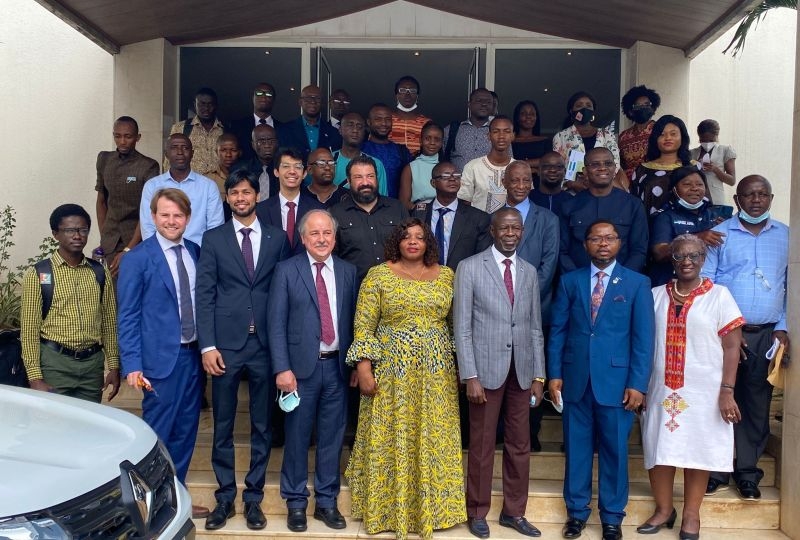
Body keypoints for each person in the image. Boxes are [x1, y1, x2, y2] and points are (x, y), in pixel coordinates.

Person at [346, 218, 466, 540]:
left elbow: (457, 326)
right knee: (392, 436)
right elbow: (363, 325)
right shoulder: (378, 275)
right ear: (396, 242)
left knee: (431, 438)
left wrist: (459, 368)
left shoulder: (447, 276)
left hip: (436, 376)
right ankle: (389, 508)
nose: (413, 241)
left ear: (429, 243)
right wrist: (364, 368)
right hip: (392, 374)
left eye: (419, 237)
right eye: (406, 236)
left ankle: (433, 510)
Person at [548, 220, 654, 540]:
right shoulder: (570, 281)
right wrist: (554, 374)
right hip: (576, 380)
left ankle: (611, 517)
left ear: (619, 243)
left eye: (609, 238)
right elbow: (558, 332)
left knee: (615, 452)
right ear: (586, 244)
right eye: (596, 238)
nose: (603, 243)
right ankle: (577, 514)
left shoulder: (636, 283)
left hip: (618, 384)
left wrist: (637, 383)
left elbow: (643, 339)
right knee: (577, 450)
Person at [196, 169, 290, 531]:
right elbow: (204, 295)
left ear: (256, 195)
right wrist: (207, 345)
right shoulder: (214, 239)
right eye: (234, 192)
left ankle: (253, 498)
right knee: (223, 424)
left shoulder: (278, 238)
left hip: (266, 345)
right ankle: (224, 497)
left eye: (246, 192)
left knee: (263, 425)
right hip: (226, 346)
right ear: (228, 198)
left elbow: (283, 293)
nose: (240, 198)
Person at [639, 234, 744, 540]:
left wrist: (727, 390)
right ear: (670, 260)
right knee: (659, 448)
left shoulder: (720, 296)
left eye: (694, 256)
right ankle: (663, 509)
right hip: (659, 388)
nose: (686, 262)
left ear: (703, 259)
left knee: (698, 450)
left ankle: (691, 515)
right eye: (679, 256)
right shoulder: (655, 294)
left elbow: (732, 348)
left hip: (705, 391)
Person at [454, 208, 546, 539]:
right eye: (504, 227)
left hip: (521, 373)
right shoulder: (469, 267)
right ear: (492, 231)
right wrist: (470, 376)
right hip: (485, 373)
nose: (510, 233)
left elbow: (535, 326)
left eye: (516, 228)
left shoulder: (529, 271)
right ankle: (476, 511)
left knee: (519, 445)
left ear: (522, 232)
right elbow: (462, 327)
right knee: (480, 445)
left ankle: (513, 512)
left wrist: (539, 374)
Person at [116, 188, 208, 519]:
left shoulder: (196, 252)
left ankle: (175, 499)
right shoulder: (138, 258)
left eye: (178, 215)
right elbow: (127, 315)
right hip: (157, 364)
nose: (172, 221)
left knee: (185, 433)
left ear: (187, 218)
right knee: (157, 437)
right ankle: (151, 505)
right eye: (165, 215)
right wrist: (132, 365)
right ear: (153, 217)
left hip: (192, 357)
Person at [268, 209, 357, 533]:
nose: (321, 239)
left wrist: (355, 365)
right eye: (314, 234)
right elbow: (275, 324)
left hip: (336, 367)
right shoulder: (286, 270)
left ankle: (326, 502)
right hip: (299, 372)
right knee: (297, 438)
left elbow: (353, 322)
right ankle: (294, 502)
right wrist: (282, 369)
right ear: (303, 238)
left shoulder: (348, 272)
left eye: (327, 233)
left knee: (332, 438)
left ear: (334, 238)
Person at [702, 175, 790, 501]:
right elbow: (707, 285)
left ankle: (748, 473)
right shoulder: (720, 235)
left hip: (767, 334)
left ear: (771, 197)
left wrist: (783, 327)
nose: (756, 200)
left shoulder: (787, 236)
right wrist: (727, 327)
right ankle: (716, 470)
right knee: (721, 401)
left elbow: (791, 288)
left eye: (762, 194)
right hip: (724, 334)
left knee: (756, 403)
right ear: (737, 200)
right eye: (749, 195)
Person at [20, 204, 119, 403]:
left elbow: (109, 322)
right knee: (53, 427)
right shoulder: (39, 274)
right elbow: (29, 331)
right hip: (55, 364)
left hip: (92, 366)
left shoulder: (99, 272)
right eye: (69, 230)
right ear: (56, 234)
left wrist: (114, 366)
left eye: (83, 230)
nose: (77, 236)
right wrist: (34, 378)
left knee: (89, 426)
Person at [559, 147, 649, 273]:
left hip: (622, 285)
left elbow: (639, 250)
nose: (602, 168)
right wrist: (577, 281)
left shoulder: (633, 205)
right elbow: (561, 251)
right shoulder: (569, 206)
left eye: (608, 163)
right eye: (595, 164)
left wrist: (621, 281)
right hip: (578, 284)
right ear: (585, 171)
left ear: (614, 169)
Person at [95, 115, 160, 278]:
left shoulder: (148, 165)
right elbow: (101, 201)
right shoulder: (104, 159)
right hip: (110, 239)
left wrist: (129, 249)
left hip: (136, 240)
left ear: (137, 137)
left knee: (131, 289)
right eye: (117, 136)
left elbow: (148, 211)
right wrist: (104, 236)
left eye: (128, 136)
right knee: (111, 293)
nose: (122, 141)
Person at [329, 155, 408, 283]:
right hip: (353, 289)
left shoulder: (397, 208)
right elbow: (331, 257)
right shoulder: (336, 213)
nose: (365, 182)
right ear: (348, 181)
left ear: (377, 178)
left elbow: (411, 247)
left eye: (370, 176)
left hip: (396, 290)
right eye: (358, 177)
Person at [139, 134, 224, 245]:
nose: (180, 152)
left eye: (185, 148)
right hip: (161, 255)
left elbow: (215, 227)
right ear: (166, 154)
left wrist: (205, 256)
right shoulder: (152, 186)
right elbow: (148, 227)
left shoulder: (208, 186)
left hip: (199, 254)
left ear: (192, 154)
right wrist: (157, 255)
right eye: (174, 147)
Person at [411, 161, 491, 271]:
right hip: (423, 280)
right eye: (446, 176)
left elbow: (482, 258)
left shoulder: (478, 218)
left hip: (461, 280)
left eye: (457, 176)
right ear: (433, 183)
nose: (452, 179)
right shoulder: (419, 213)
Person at [649, 167, 722, 286]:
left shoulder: (714, 215)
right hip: (671, 284)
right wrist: (697, 238)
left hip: (707, 283)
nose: (694, 188)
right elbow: (659, 253)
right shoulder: (665, 217)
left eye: (699, 184)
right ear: (674, 189)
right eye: (687, 184)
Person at [552, 91, 626, 191]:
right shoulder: (561, 136)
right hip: (573, 192)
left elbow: (615, 163)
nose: (584, 109)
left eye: (588, 106)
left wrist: (599, 180)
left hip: (604, 189)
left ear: (593, 111)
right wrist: (571, 183)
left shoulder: (607, 135)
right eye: (579, 105)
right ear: (571, 111)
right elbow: (557, 166)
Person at [256, 147, 324, 255]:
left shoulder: (318, 210)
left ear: (304, 173)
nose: (292, 171)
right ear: (276, 172)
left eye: (297, 167)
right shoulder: (261, 210)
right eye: (286, 166)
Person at [630, 115, 696, 217]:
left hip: (688, 229)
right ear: (655, 139)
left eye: (673, 134)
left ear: (682, 137)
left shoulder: (694, 167)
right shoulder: (642, 170)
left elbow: (705, 203)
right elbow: (633, 204)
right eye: (662, 134)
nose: (668, 138)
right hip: (649, 229)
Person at [458, 115, 514, 213]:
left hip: (510, 226)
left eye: (507, 131)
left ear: (513, 136)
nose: (501, 136)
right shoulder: (473, 167)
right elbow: (464, 202)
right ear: (488, 136)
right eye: (496, 131)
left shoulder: (519, 168)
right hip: (478, 226)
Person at [165, 87, 225, 175]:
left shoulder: (224, 130)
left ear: (216, 105)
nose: (206, 108)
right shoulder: (181, 128)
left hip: (218, 185)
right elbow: (169, 159)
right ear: (195, 105)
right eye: (202, 104)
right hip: (189, 183)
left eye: (210, 104)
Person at [277, 84, 342, 162]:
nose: (313, 101)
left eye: (317, 98)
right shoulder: (285, 130)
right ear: (300, 102)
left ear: (322, 103)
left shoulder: (334, 133)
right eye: (308, 98)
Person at [362, 103, 412, 199]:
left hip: (394, 209)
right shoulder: (360, 149)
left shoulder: (402, 151)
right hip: (364, 207)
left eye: (388, 119)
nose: (384, 123)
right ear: (369, 122)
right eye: (378, 119)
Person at [332, 112, 388, 195]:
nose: (355, 130)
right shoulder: (329, 161)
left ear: (364, 132)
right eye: (350, 125)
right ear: (340, 130)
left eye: (359, 126)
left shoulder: (376, 164)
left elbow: (382, 200)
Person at [443, 88, 495, 171]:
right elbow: (441, 158)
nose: (484, 104)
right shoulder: (452, 130)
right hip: (458, 183)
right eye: (479, 100)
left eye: (488, 102)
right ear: (469, 104)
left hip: (488, 183)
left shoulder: (498, 132)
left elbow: (509, 162)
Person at [618, 85, 661, 184]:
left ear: (653, 108)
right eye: (638, 105)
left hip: (654, 184)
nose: (643, 108)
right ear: (630, 111)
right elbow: (620, 165)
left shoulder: (661, 130)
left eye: (646, 104)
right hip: (629, 187)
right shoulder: (623, 137)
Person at [690, 119, 737, 205]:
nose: (707, 143)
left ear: (717, 136)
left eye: (711, 140)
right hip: (694, 197)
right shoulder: (692, 153)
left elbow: (732, 181)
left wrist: (715, 169)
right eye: (703, 140)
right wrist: (695, 166)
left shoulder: (725, 151)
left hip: (715, 199)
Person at [398, 120, 442, 208]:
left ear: (442, 143)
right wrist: (423, 211)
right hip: (419, 216)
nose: (432, 143)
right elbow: (403, 202)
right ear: (420, 141)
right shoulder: (410, 168)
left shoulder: (446, 168)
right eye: (427, 138)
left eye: (437, 139)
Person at [231, 82, 278, 160]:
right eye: (259, 93)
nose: (263, 97)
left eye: (268, 94)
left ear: (274, 99)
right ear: (252, 97)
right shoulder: (237, 127)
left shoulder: (283, 129)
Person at [389, 75, 431, 155]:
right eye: (403, 90)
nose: (407, 94)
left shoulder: (427, 123)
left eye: (412, 90)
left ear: (417, 96)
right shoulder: (386, 120)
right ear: (396, 95)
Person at [238, 124, 280, 202]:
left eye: (271, 141)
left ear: (277, 143)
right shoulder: (242, 170)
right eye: (261, 141)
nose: (267, 145)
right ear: (253, 145)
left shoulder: (283, 170)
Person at [511, 100, 549, 178]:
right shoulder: (510, 142)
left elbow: (548, 161)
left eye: (532, 114)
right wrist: (534, 169)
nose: (528, 116)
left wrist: (521, 163)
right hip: (516, 183)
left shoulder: (545, 141)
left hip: (540, 184)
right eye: (523, 113)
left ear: (536, 118)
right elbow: (507, 164)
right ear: (517, 117)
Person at [529, 151, 573, 217]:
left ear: (564, 172)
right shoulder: (528, 199)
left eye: (558, 166)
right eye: (546, 166)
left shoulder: (572, 202)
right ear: (538, 171)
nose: (553, 170)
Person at [206, 133, 242, 200]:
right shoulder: (207, 179)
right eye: (223, 150)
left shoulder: (247, 177)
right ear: (216, 152)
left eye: (233, 150)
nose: (228, 155)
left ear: (240, 152)